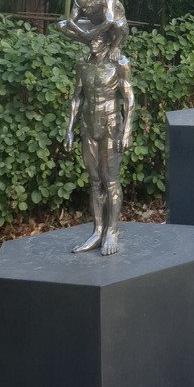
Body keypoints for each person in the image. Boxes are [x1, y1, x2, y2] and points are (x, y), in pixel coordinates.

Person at [64, 33, 134, 255]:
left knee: (110, 181)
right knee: (95, 181)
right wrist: (69, 130)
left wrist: (127, 131)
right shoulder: (82, 64)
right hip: (88, 125)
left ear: (108, 40)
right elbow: (77, 97)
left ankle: (112, 231)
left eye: (97, 39)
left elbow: (129, 98)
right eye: (90, 39)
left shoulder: (119, 64)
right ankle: (98, 230)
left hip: (111, 125)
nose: (92, 43)